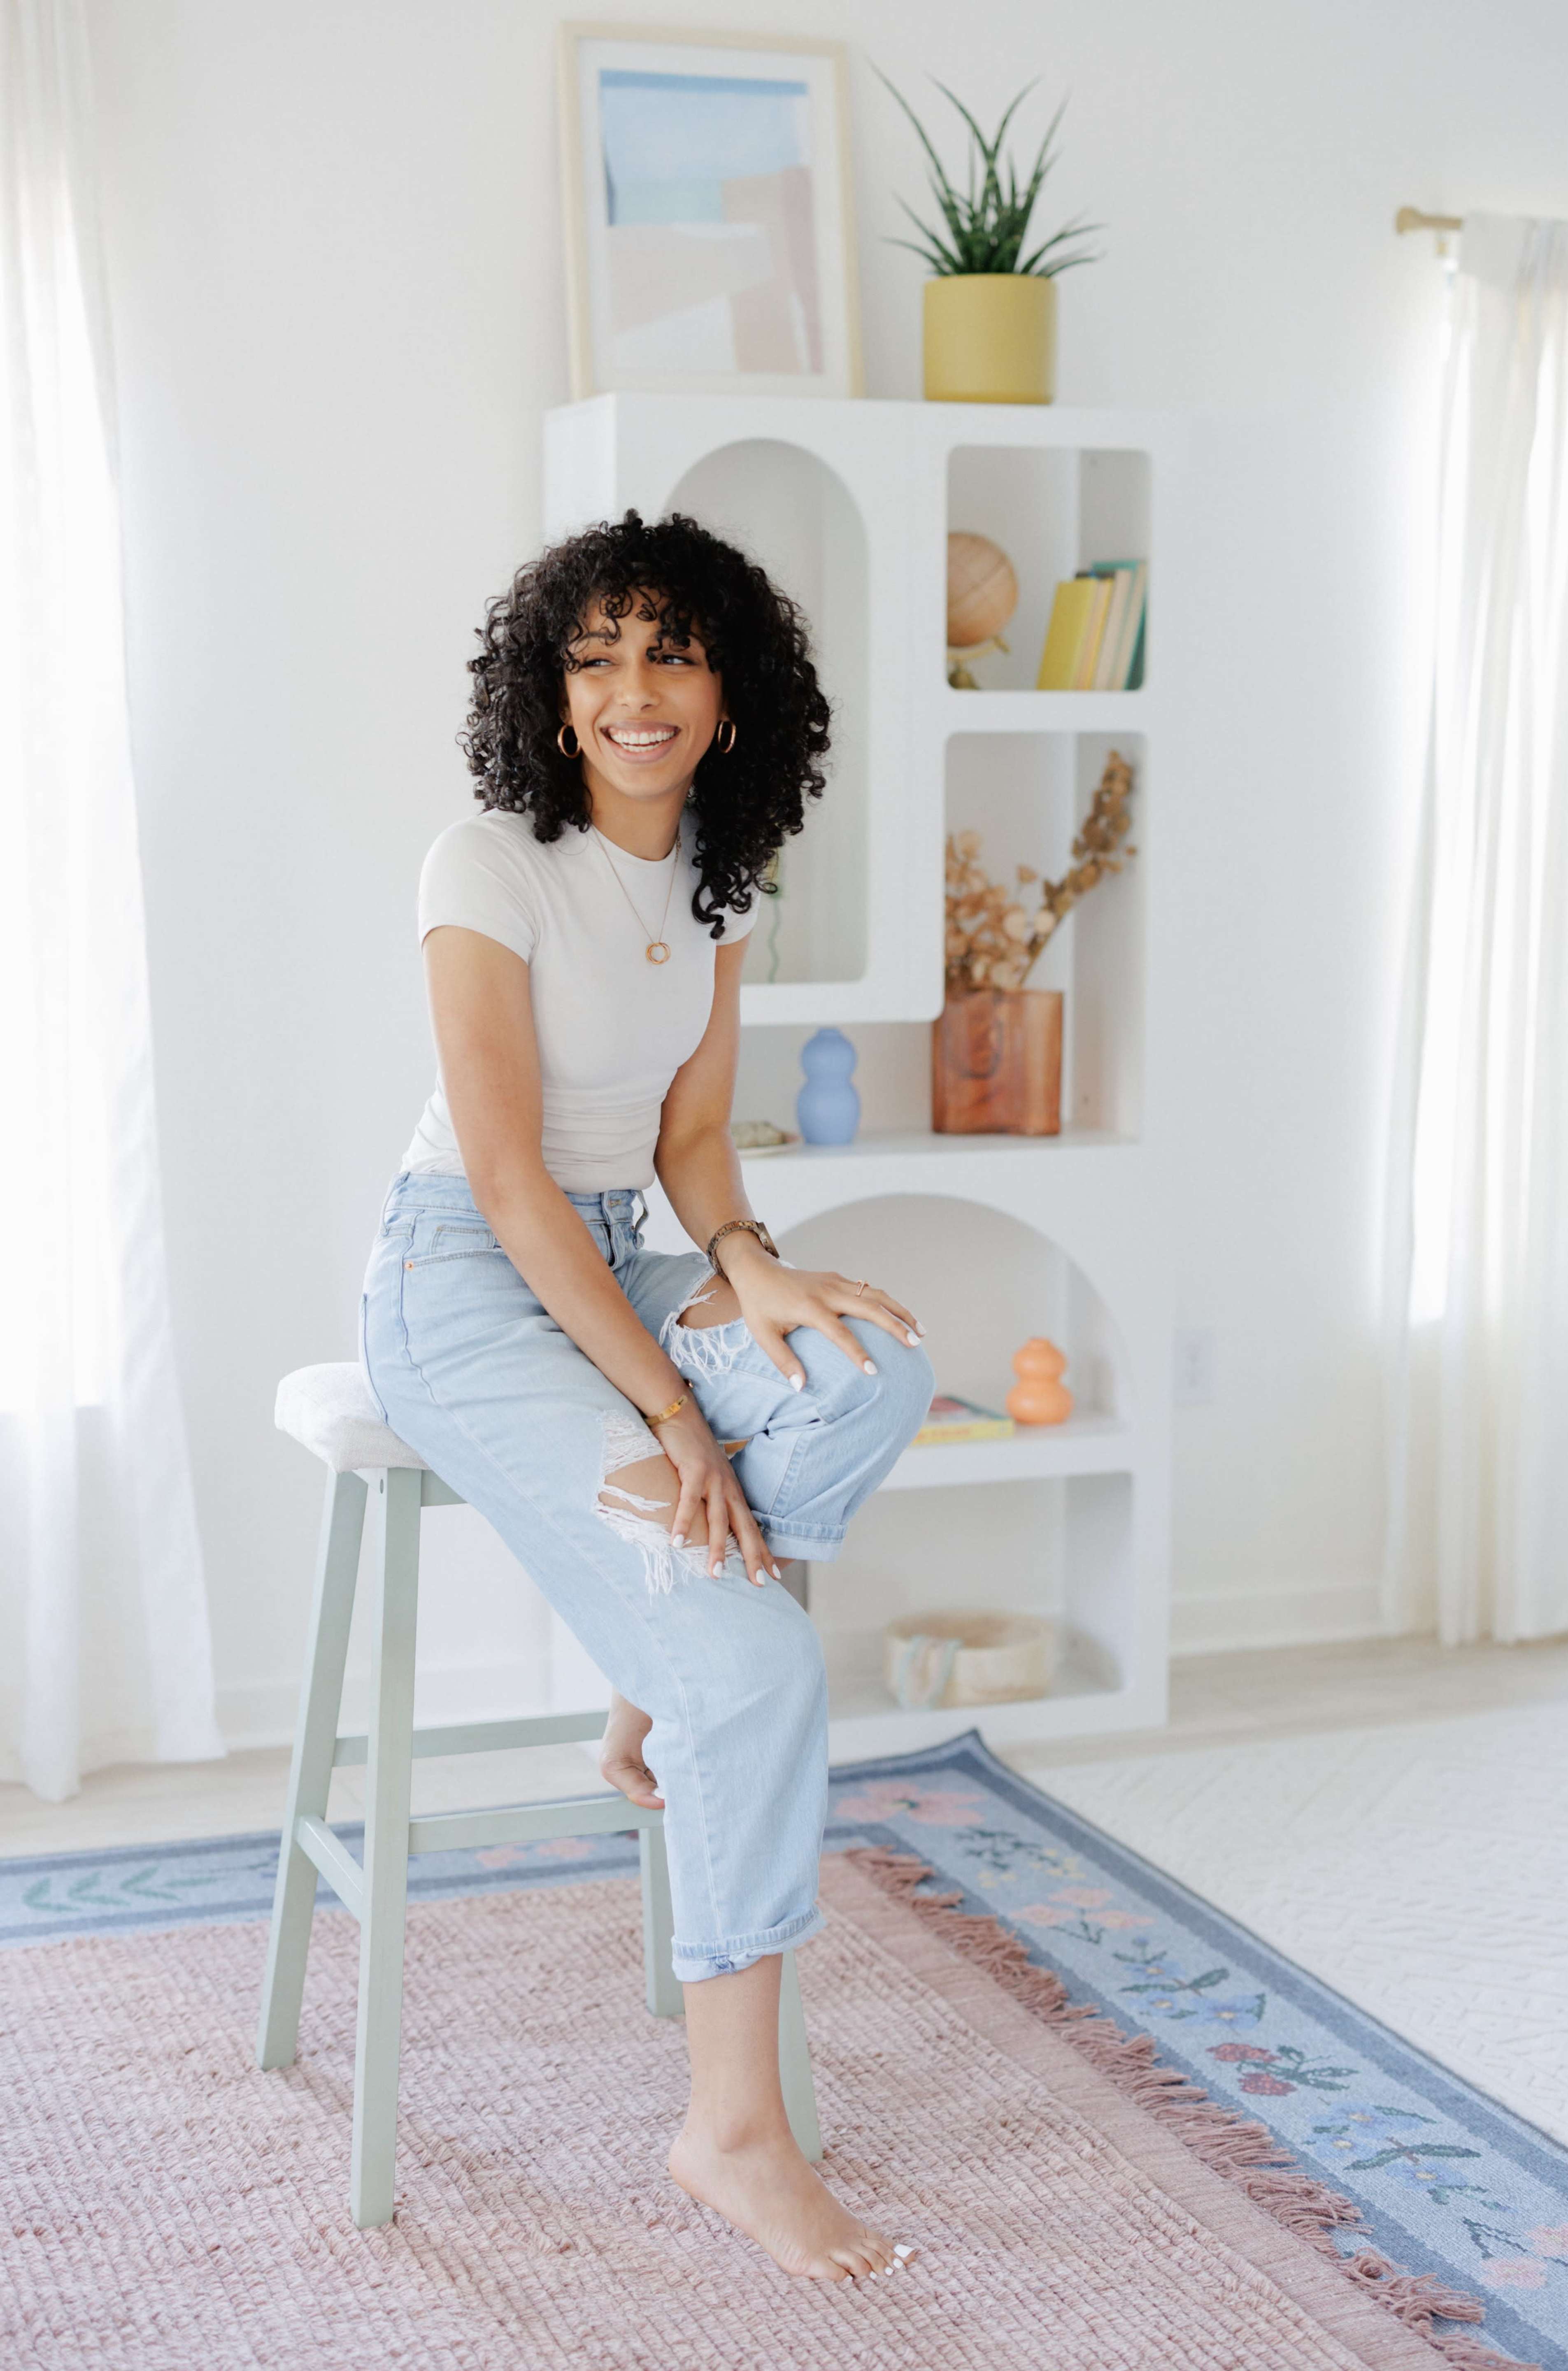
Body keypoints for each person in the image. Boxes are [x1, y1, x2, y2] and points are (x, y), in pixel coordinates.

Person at [359, 508, 934, 2283]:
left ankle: (651, 1668)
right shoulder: (487, 862)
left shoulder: (715, 878)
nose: (633, 688)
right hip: (469, 1275)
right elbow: (519, 1182)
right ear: (549, 695)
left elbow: (688, 1141)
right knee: (754, 1651)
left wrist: (752, 1263)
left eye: (670, 652)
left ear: (730, 693)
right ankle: (731, 2131)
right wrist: (679, 1418)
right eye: (595, 654)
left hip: (630, 1241)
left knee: (868, 1368)